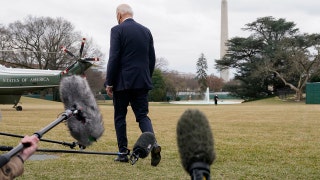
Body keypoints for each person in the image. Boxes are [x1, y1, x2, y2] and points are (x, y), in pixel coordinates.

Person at [105, 4, 161, 166]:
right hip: (141, 81)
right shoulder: (146, 31)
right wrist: (146, 78)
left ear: (119, 15)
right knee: (143, 116)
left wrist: (109, 82)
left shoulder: (117, 30)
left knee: (120, 117)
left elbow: (114, 57)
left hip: (122, 83)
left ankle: (122, 152)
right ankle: (154, 144)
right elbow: (152, 58)